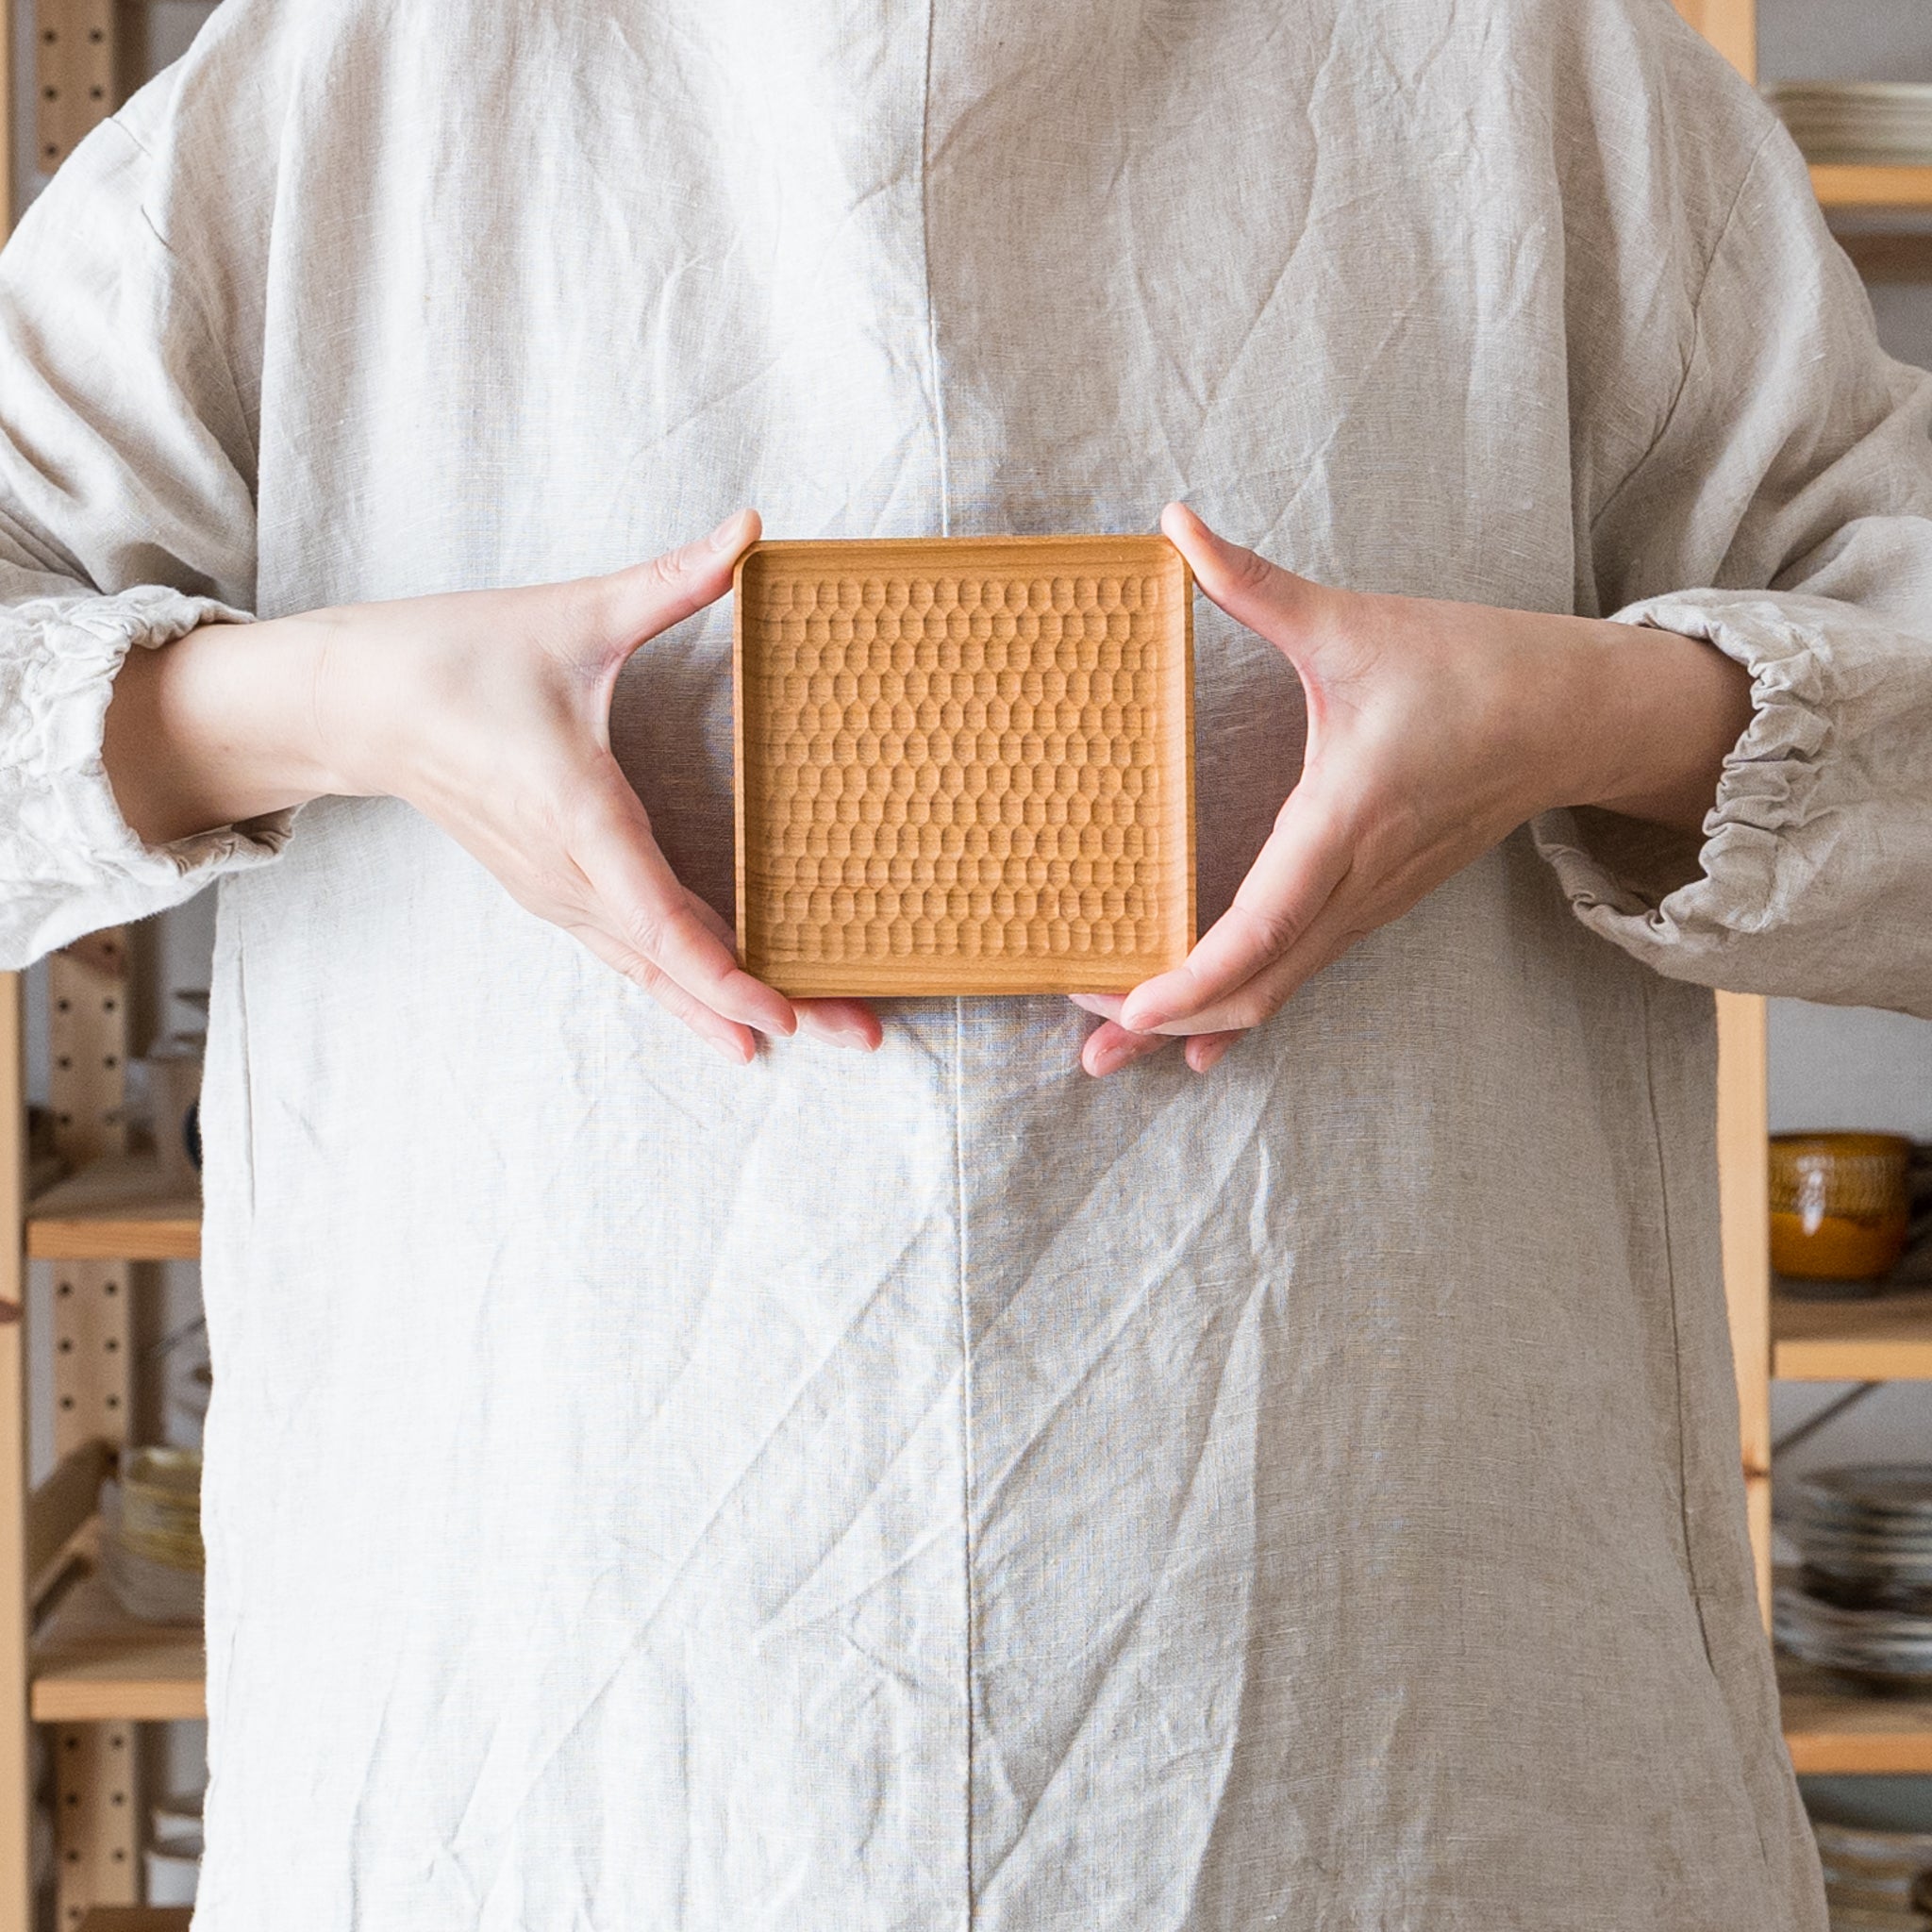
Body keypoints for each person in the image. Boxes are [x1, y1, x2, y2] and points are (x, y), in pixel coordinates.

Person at [2, 0, 1927, 1924]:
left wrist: (1604, 711)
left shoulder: (1539, 67)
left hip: (1393, 1714)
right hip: (564, 1737)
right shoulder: (346, 82)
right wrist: (310, 698)